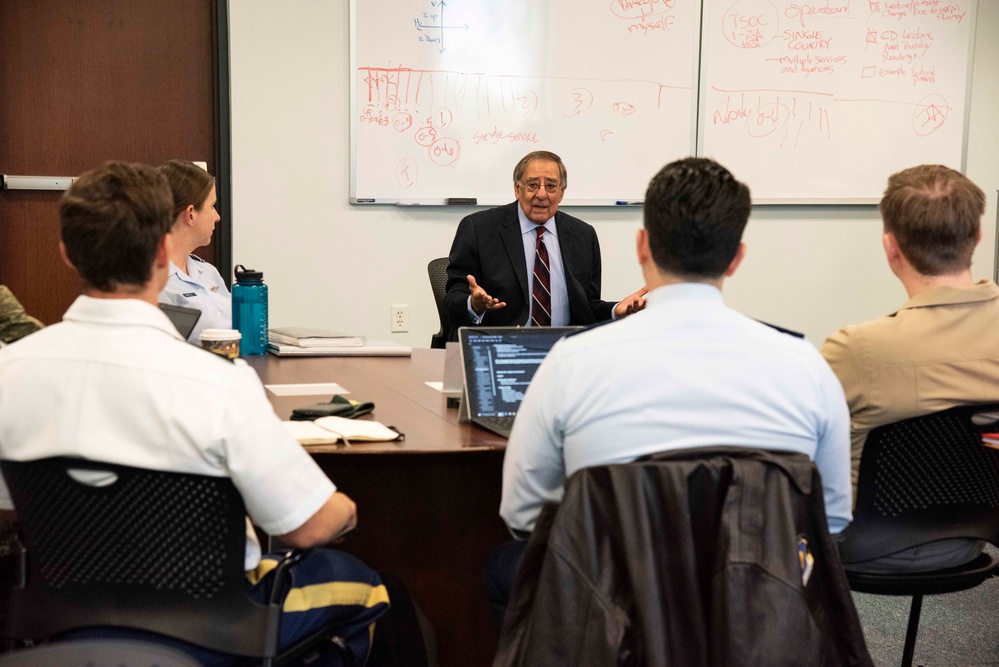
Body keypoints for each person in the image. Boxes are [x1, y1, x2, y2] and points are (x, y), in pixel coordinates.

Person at [0, 161, 388, 664]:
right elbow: (308, 528)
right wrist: (350, 510)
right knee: (367, 588)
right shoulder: (217, 383)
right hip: (217, 627)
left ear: (67, 254)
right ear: (165, 250)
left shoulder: (11, 372)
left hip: (63, 623)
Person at [485, 157, 852, 619]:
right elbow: (831, 523)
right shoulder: (807, 367)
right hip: (753, 613)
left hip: (610, 608)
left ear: (643, 246)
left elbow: (523, 516)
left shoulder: (570, 363)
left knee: (504, 565)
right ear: (737, 257)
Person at [821, 164, 995, 572]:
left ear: (890, 247)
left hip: (864, 545)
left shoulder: (855, 351)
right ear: (978, 237)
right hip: (977, 536)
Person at [444, 150, 646, 337]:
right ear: (517, 189)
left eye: (550, 186)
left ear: (561, 192)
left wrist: (615, 310)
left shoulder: (583, 235)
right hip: (501, 348)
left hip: (563, 350)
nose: (541, 194)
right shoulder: (479, 229)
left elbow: (587, 307)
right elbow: (453, 302)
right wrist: (474, 305)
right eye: (532, 185)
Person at [157, 159, 231, 343]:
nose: (217, 217)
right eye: (212, 206)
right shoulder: (154, 280)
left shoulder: (208, 272)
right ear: (191, 214)